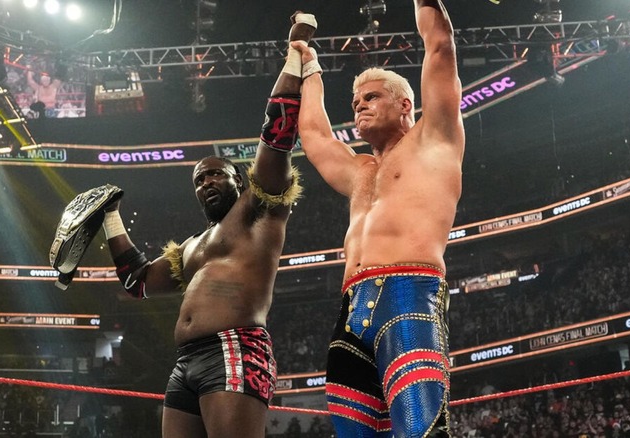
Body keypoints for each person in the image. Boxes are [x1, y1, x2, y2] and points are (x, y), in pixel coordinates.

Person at [102, 12, 316, 438]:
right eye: (199, 179)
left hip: (235, 347)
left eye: (216, 173)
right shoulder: (191, 247)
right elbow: (137, 283)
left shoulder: (259, 209)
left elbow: (277, 134)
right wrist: (109, 216)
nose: (206, 182)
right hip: (186, 361)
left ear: (239, 179)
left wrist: (294, 54)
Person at [292, 1, 464, 437]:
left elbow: (440, 46)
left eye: (371, 97)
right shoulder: (359, 171)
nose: (360, 107)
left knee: (421, 431)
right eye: (355, 102)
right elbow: (313, 135)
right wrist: (309, 68)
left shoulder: (434, 140)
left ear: (405, 103)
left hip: (409, 294)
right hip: (350, 312)